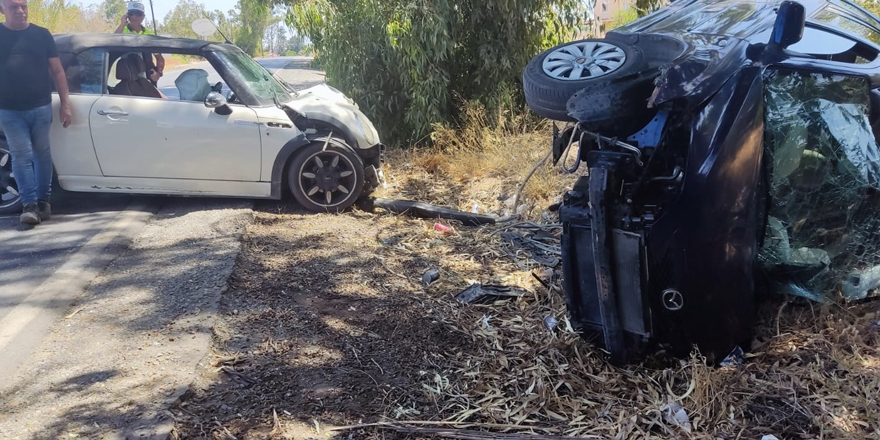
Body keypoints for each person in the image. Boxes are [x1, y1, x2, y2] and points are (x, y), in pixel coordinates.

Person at [0, 0, 72, 226]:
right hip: (8, 109)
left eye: (23, 6)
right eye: (14, 7)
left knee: (42, 154)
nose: (20, 11)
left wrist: (65, 104)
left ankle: (43, 202)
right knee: (21, 155)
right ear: (2, 9)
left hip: (41, 106)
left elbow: (58, 72)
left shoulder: (41, 35)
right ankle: (29, 205)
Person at [115, 1, 164, 84]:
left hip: (148, 78)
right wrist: (122, 24)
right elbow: (113, 41)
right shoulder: (122, 31)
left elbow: (159, 58)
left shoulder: (149, 34)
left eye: (138, 14)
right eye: (131, 14)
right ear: (127, 16)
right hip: (129, 77)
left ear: (143, 17)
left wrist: (158, 73)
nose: (134, 17)